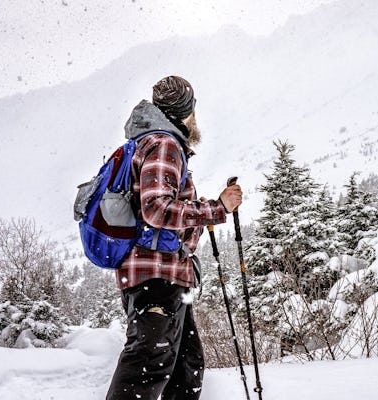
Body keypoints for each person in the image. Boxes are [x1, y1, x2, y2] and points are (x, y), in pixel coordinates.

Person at [106, 76, 243, 400]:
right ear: (185, 112)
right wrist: (217, 208)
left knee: (186, 369)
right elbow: (156, 209)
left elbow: (161, 205)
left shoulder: (156, 143)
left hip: (167, 275)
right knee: (147, 367)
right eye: (192, 110)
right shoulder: (164, 144)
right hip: (155, 275)